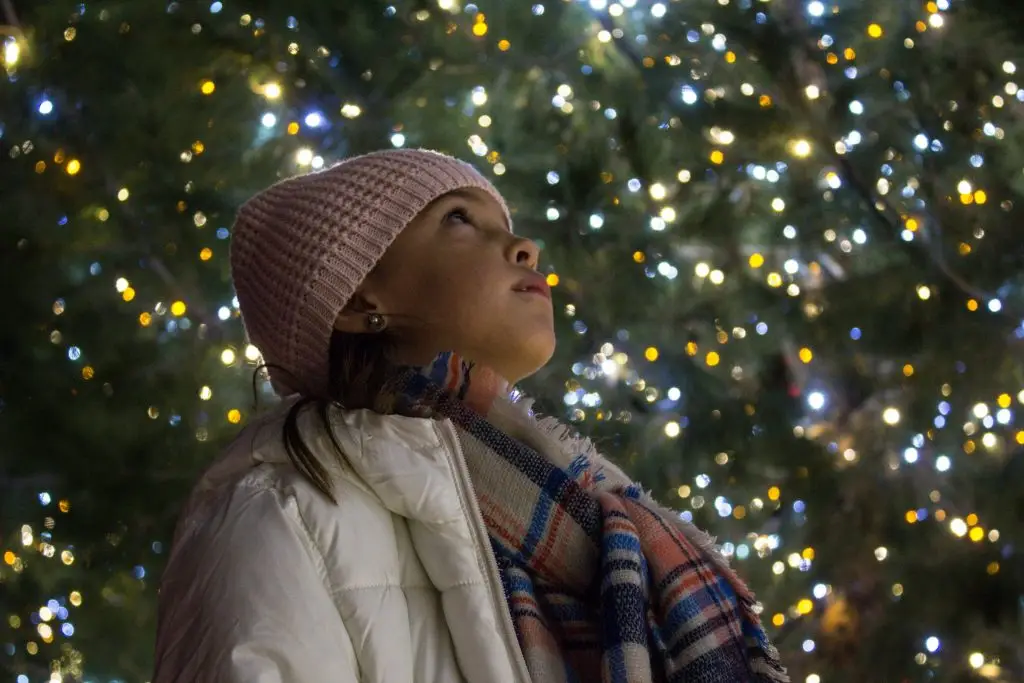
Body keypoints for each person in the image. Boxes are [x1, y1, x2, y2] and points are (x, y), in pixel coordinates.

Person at [152, 149, 787, 683]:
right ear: (358, 295)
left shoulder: (585, 502)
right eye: (459, 219)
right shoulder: (283, 501)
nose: (524, 247)